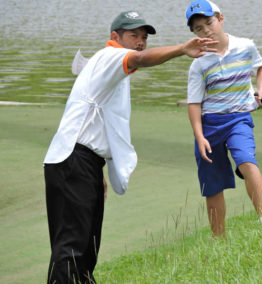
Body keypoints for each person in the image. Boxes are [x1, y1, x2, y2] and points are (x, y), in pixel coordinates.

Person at [43, 10, 217, 283]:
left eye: (144, 37)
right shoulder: (111, 56)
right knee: (72, 249)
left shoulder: (109, 69)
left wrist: (97, 171)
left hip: (83, 162)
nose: (140, 42)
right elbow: (139, 59)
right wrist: (182, 49)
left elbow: (99, 124)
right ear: (115, 37)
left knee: (86, 249)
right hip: (72, 160)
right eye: (133, 35)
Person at [185, 0, 262, 237]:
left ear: (220, 19)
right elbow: (194, 103)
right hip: (209, 125)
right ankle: (219, 241)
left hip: (238, 119)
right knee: (213, 186)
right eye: (198, 29)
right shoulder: (198, 64)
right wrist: (199, 136)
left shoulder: (245, 46)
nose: (206, 31)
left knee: (246, 159)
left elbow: (261, 67)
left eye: (209, 23)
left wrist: (261, 89)